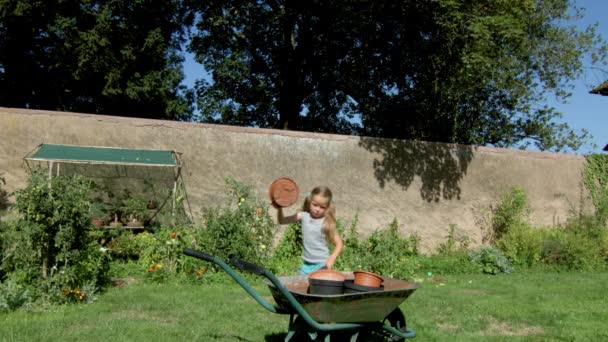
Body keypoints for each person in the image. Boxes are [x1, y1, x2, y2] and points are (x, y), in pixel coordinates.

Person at [276, 186, 344, 275]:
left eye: (322, 207)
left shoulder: (326, 222)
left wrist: (331, 260)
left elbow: (339, 244)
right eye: (315, 205)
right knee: (301, 288)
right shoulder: (303, 216)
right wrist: (279, 207)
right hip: (306, 266)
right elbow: (282, 221)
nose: (317, 209)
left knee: (317, 289)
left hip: (322, 265)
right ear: (309, 202)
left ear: (327, 207)